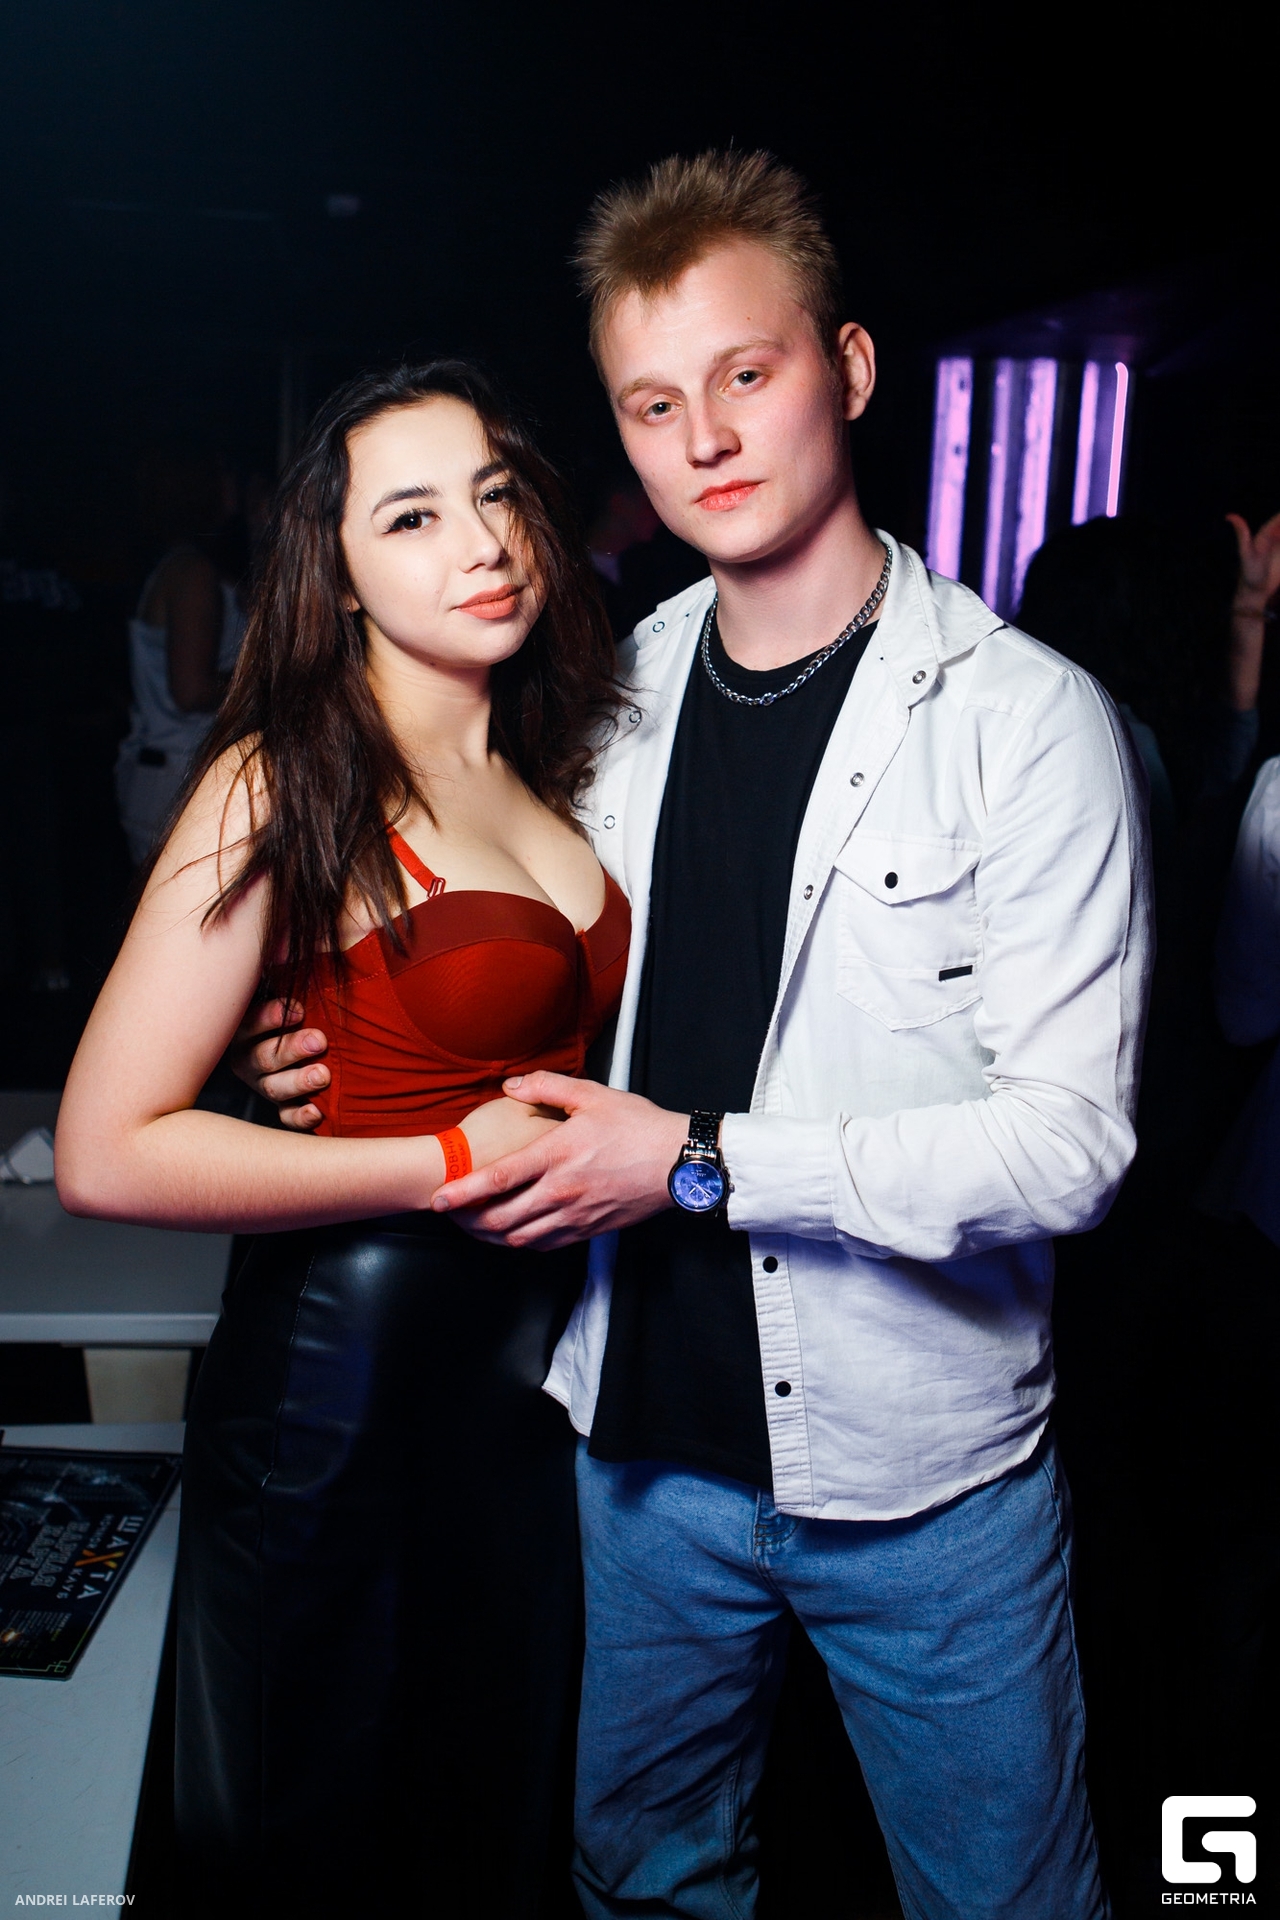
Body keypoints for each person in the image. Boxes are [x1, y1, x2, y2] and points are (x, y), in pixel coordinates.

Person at [239, 153, 1151, 1919]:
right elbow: (504, 963)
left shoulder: (1027, 724)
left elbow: (1072, 1147)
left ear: (850, 370)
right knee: (643, 1887)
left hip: (926, 1490)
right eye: (655, 405)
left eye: (747, 373)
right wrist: (311, 1046)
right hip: (638, 1460)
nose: (707, 438)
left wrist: (701, 1163)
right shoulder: (605, 699)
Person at [55, 361, 626, 1916]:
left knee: (487, 1819)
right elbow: (106, 1148)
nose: (481, 541)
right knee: (314, 1837)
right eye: (414, 515)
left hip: (527, 1386)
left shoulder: (556, 768)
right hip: (341, 1386)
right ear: (342, 573)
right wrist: (445, 1164)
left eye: (497, 495)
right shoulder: (285, 775)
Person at [115, 447, 249, 863]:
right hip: (177, 773)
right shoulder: (192, 573)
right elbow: (191, 691)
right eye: (222, 472)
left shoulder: (186, 566)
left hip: (167, 769)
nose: (235, 482)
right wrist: (272, 676)